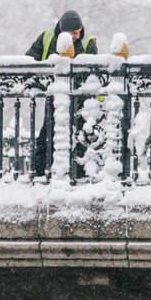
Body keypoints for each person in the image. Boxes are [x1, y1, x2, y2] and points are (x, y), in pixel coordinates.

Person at [26, 10, 98, 177]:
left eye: (78, 32)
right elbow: (30, 62)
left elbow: (92, 76)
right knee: (48, 133)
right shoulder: (46, 37)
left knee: (79, 136)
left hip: (81, 100)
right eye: (72, 33)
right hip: (55, 97)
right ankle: (42, 173)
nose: (76, 37)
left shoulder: (88, 44)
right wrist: (44, 84)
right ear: (62, 30)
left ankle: (78, 174)